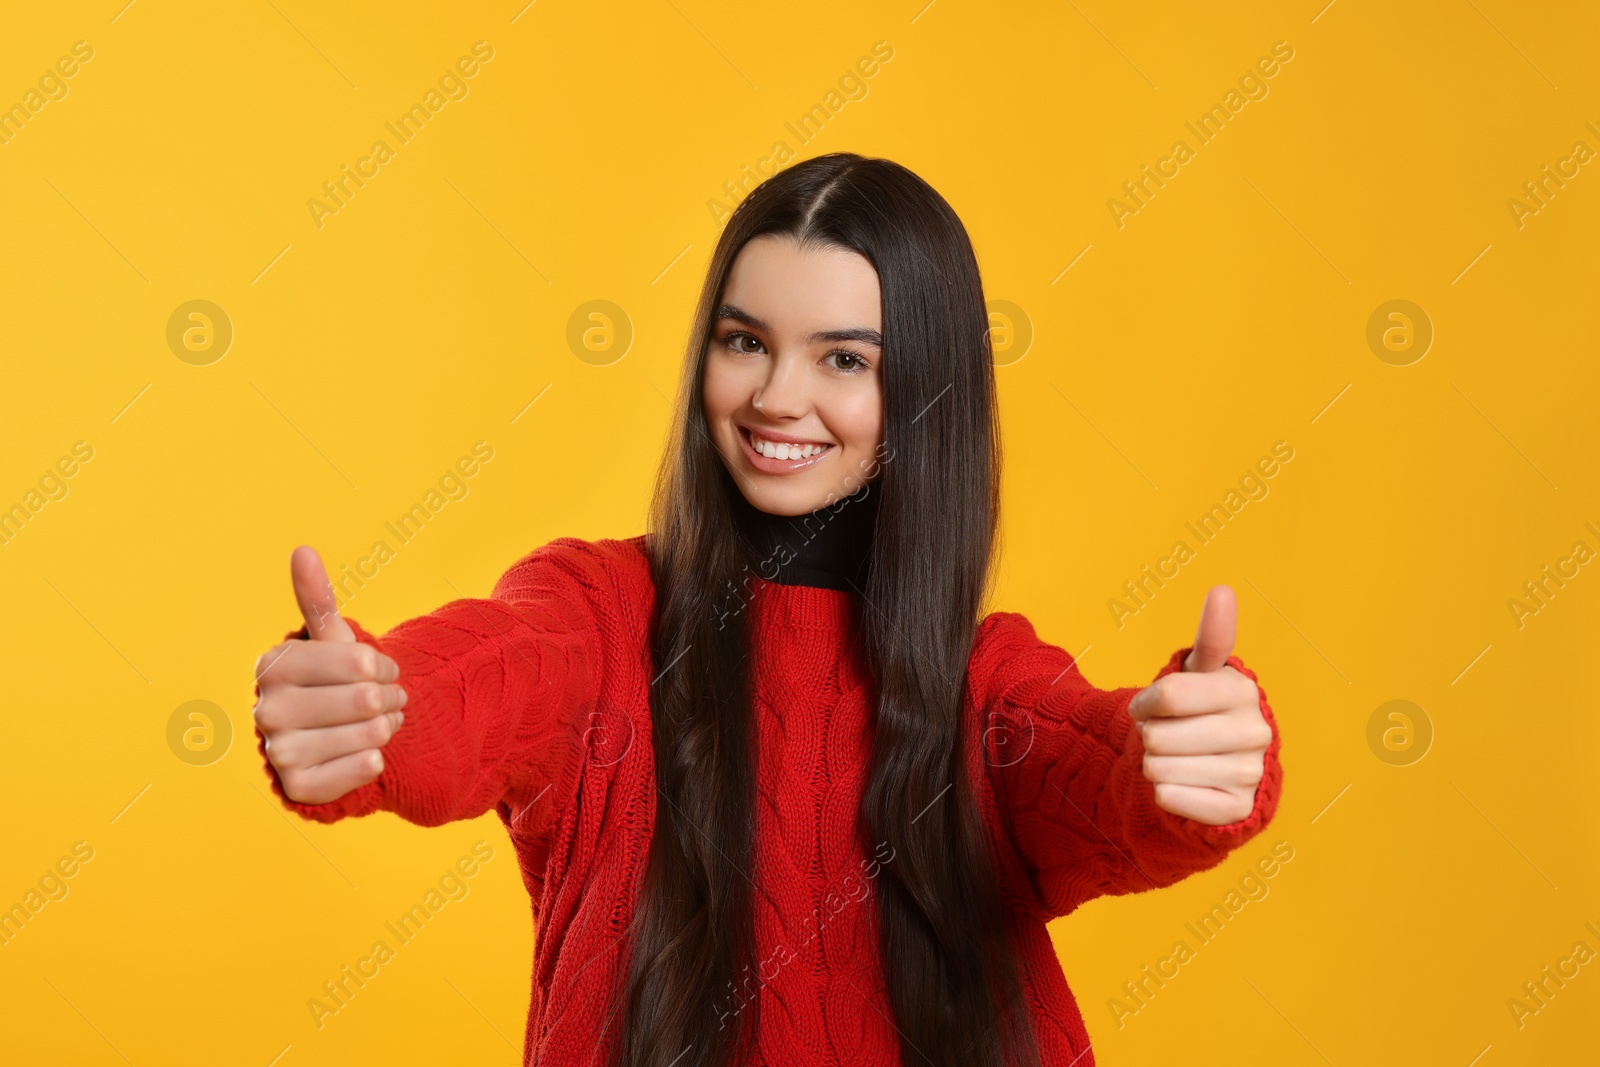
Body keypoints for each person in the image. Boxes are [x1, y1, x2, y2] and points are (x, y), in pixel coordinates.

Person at [251, 151, 1283, 1067]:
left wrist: (1193, 757)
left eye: (844, 359)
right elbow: (480, 682)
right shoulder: (602, 614)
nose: (776, 396)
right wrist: (370, 710)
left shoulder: (985, 684)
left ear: (926, 390)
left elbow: (1103, 774)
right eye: (744, 341)